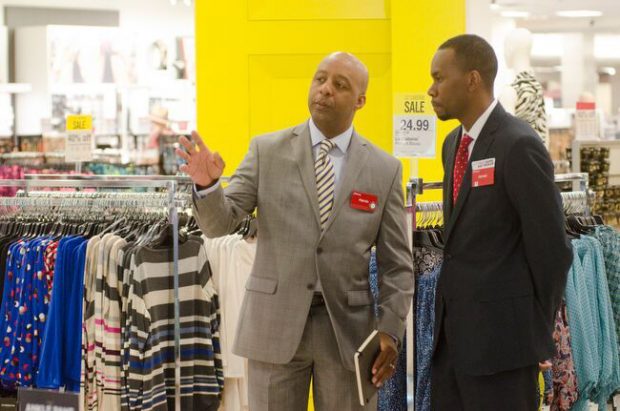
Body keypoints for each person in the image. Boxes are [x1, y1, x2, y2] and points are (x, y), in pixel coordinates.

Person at [176, 51, 414, 410]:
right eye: (320, 79)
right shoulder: (266, 150)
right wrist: (208, 187)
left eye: (340, 84)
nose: (325, 90)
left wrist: (390, 329)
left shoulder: (385, 169)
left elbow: (397, 264)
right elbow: (218, 225)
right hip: (273, 323)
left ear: (361, 100)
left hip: (348, 333)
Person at [427, 34, 572, 411]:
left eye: (440, 77)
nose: (431, 89)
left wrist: (535, 334)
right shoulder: (451, 145)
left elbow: (553, 249)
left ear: (472, 79)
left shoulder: (518, 144)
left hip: (504, 350)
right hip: (453, 346)